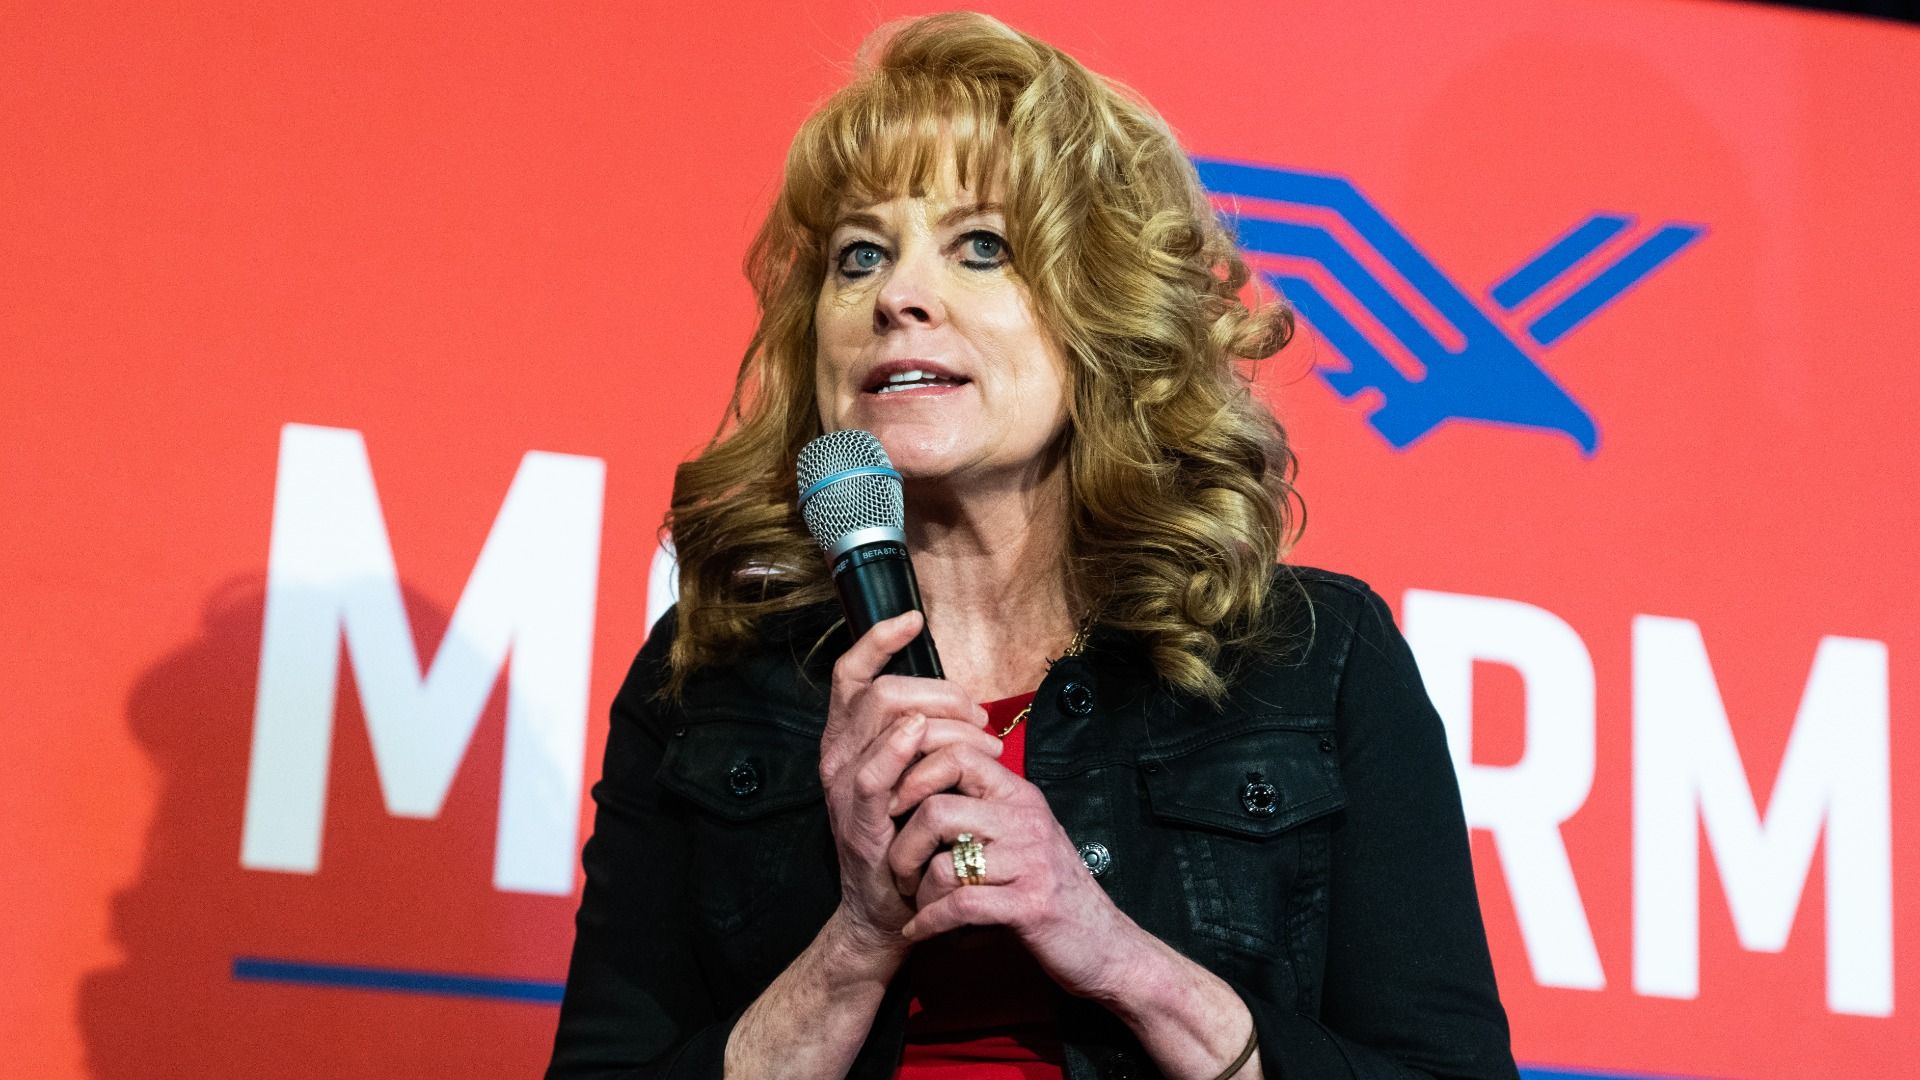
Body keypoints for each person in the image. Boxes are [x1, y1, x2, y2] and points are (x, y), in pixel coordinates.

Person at [548, 11, 1517, 1080]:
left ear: (1102, 317)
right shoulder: (713, 680)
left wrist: (1112, 952)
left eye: (981, 248)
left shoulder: (1311, 664)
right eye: (859, 255)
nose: (897, 297)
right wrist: (855, 942)